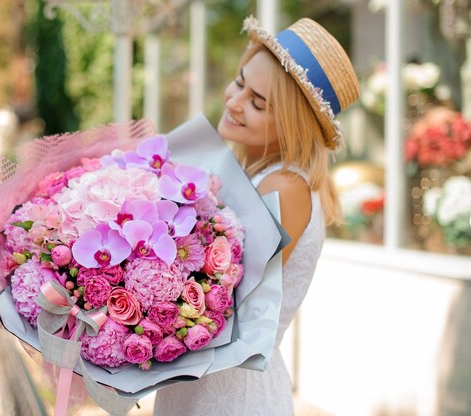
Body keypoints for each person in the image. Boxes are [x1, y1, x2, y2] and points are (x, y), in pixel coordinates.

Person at [153, 16, 359, 415]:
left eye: (257, 103)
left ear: (292, 124)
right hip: (206, 380)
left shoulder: (285, 187)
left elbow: (224, 297)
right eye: (239, 82)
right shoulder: (261, 175)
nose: (234, 101)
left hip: (234, 394)